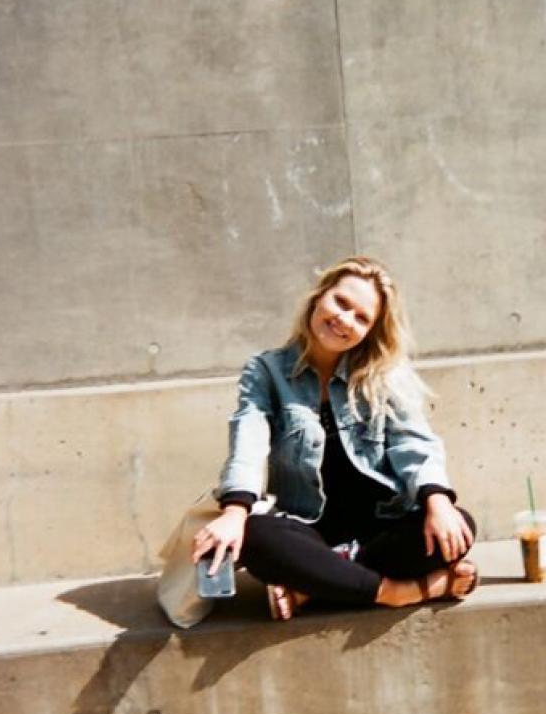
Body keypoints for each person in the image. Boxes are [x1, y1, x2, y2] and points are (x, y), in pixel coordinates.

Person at [191, 256, 478, 620]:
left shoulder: (386, 373)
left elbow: (414, 442)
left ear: (370, 331)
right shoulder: (267, 371)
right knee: (254, 536)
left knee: (460, 525)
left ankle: (315, 585)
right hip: (309, 531)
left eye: (361, 318)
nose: (344, 320)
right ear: (319, 297)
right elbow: (248, 438)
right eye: (341, 303)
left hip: (381, 528)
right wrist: (235, 511)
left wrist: (438, 501)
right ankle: (403, 592)